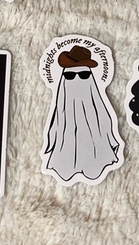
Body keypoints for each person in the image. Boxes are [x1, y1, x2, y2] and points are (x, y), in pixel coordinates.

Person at [44, 45, 121, 182]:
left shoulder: (98, 108)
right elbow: (54, 128)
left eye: (84, 75)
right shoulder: (61, 113)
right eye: (70, 76)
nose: (77, 80)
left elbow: (105, 122)